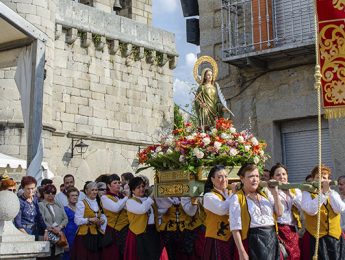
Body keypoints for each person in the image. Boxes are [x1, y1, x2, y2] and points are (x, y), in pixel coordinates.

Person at [229, 163, 283, 260]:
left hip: (271, 237)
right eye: (251, 176)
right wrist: (241, 252)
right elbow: (235, 228)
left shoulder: (265, 194)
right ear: (242, 179)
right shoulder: (237, 198)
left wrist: (275, 193)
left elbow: (279, 213)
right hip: (254, 240)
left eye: (257, 176)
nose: (255, 179)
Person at [301, 165, 345, 259]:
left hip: (334, 238)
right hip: (316, 238)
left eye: (324, 177)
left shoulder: (333, 194)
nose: (321, 180)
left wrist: (328, 191)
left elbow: (340, 208)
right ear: (313, 179)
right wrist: (323, 194)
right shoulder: (307, 194)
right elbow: (311, 210)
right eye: (318, 177)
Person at [124, 177, 161, 260]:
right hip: (139, 234)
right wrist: (152, 196)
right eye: (138, 187)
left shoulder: (148, 200)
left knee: (154, 256)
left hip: (152, 231)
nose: (141, 189)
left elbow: (160, 211)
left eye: (143, 186)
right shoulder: (130, 201)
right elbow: (142, 209)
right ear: (133, 190)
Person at [270, 163, 302, 260]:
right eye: (278, 175)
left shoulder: (294, 189)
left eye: (284, 174)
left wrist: (290, 194)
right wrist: (276, 193)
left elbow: (302, 207)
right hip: (278, 228)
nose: (282, 177)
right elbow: (276, 210)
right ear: (272, 177)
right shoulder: (270, 191)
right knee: (282, 255)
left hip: (292, 229)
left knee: (295, 256)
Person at [202, 165, 234, 260]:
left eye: (226, 176)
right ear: (212, 180)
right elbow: (222, 209)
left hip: (233, 238)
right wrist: (233, 195)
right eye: (219, 177)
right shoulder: (209, 196)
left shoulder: (230, 193)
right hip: (217, 238)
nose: (224, 180)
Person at [71, 181, 106, 260]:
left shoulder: (98, 202)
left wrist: (101, 221)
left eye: (96, 190)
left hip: (97, 234)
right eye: (92, 190)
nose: (95, 192)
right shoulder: (81, 203)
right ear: (86, 191)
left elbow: (102, 216)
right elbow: (77, 220)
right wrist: (90, 220)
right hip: (85, 235)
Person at [101, 174, 129, 259]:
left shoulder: (121, 196)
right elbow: (116, 208)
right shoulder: (104, 197)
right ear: (109, 185)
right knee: (113, 255)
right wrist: (126, 197)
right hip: (114, 231)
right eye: (115, 183)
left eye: (119, 182)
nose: (118, 184)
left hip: (126, 229)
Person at [39, 184, 68, 259]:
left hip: (59, 236)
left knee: (58, 256)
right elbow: (42, 220)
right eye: (48, 192)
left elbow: (65, 219)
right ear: (44, 193)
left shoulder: (58, 204)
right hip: (47, 236)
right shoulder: (41, 205)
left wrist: (59, 228)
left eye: (53, 192)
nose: (50, 194)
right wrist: (52, 229)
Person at [63, 187, 79, 260]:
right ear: (68, 198)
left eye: (76, 195)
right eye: (72, 195)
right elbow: (62, 226)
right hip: (69, 237)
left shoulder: (80, 209)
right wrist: (65, 242)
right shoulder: (64, 209)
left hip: (79, 237)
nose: (75, 197)